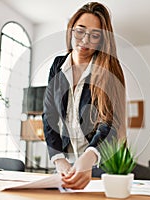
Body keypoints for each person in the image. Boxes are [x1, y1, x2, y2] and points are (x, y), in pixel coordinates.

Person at [42, 2, 126, 189]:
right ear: (71, 30)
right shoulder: (58, 65)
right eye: (80, 31)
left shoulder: (109, 69)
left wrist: (89, 157)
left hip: (100, 160)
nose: (85, 40)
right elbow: (50, 116)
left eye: (95, 35)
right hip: (66, 161)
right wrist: (58, 159)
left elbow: (109, 122)